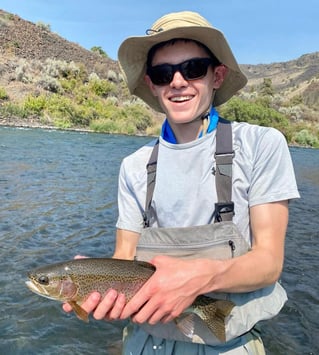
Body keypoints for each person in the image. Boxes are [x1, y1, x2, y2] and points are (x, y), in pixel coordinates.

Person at [63, 11, 300, 354]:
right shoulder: (133, 166)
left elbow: (269, 263)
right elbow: (125, 258)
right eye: (163, 73)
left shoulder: (262, 144)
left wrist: (201, 278)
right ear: (151, 84)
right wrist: (97, 285)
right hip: (144, 343)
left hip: (229, 345)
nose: (177, 81)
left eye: (193, 69)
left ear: (217, 75)